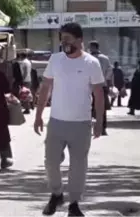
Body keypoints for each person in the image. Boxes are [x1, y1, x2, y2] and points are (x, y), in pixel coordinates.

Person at [34, 22, 105, 217]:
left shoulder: (91, 63)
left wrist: (99, 121)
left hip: (81, 124)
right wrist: (38, 115)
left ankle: (74, 204)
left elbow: (99, 94)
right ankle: (56, 193)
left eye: (68, 39)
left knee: (78, 166)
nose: (64, 42)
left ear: (79, 40)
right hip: (56, 121)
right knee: (51, 161)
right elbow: (45, 88)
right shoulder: (55, 60)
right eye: (62, 38)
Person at [88, 40, 111, 136]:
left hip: (89, 87)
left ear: (93, 47)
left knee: (87, 107)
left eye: (90, 47)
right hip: (102, 85)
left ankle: (88, 128)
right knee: (102, 108)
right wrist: (105, 80)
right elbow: (110, 71)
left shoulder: (88, 58)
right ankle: (103, 128)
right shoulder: (105, 58)